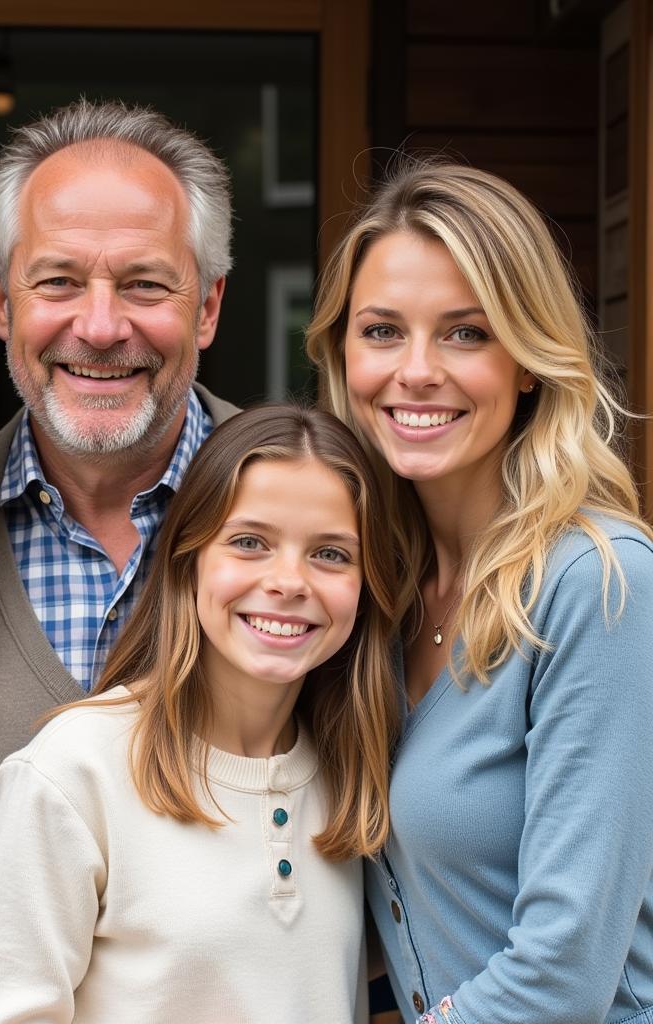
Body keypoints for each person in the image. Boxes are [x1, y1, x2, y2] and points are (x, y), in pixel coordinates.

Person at [0, 98, 239, 1022]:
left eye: (145, 284)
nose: (99, 326)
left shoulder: (324, 520)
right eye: (57, 283)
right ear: (3, 303)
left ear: (207, 305)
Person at [306, 161, 653, 1024]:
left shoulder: (600, 585)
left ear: (529, 361)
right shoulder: (378, 588)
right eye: (382, 331)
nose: (416, 371)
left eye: (465, 334)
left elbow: (562, 977)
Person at [0, 405, 400, 1023]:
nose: (290, 581)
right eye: (249, 543)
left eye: (330, 554)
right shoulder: (74, 770)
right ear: (188, 561)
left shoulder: (354, 777)